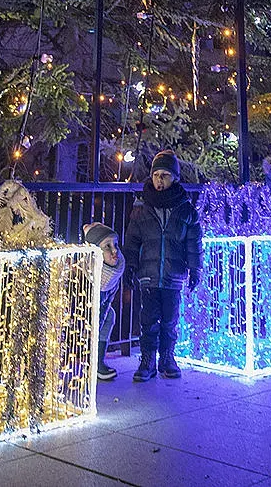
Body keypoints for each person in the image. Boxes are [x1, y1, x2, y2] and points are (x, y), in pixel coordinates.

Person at [123, 149, 203, 382]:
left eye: (165, 175)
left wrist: (195, 268)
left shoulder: (185, 209)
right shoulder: (142, 207)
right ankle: (147, 359)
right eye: (156, 175)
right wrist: (130, 266)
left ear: (175, 178)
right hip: (148, 274)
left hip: (173, 274)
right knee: (148, 320)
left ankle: (167, 357)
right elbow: (133, 240)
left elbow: (193, 242)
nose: (159, 180)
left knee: (170, 320)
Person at [83, 221, 125, 381]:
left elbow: (106, 305)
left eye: (115, 245)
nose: (114, 251)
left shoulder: (114, 273)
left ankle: (97, 362)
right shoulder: (87, 274)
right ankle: (91, 362)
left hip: (99, 312)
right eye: (107, 246)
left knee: (109, 315)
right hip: (79, 317)